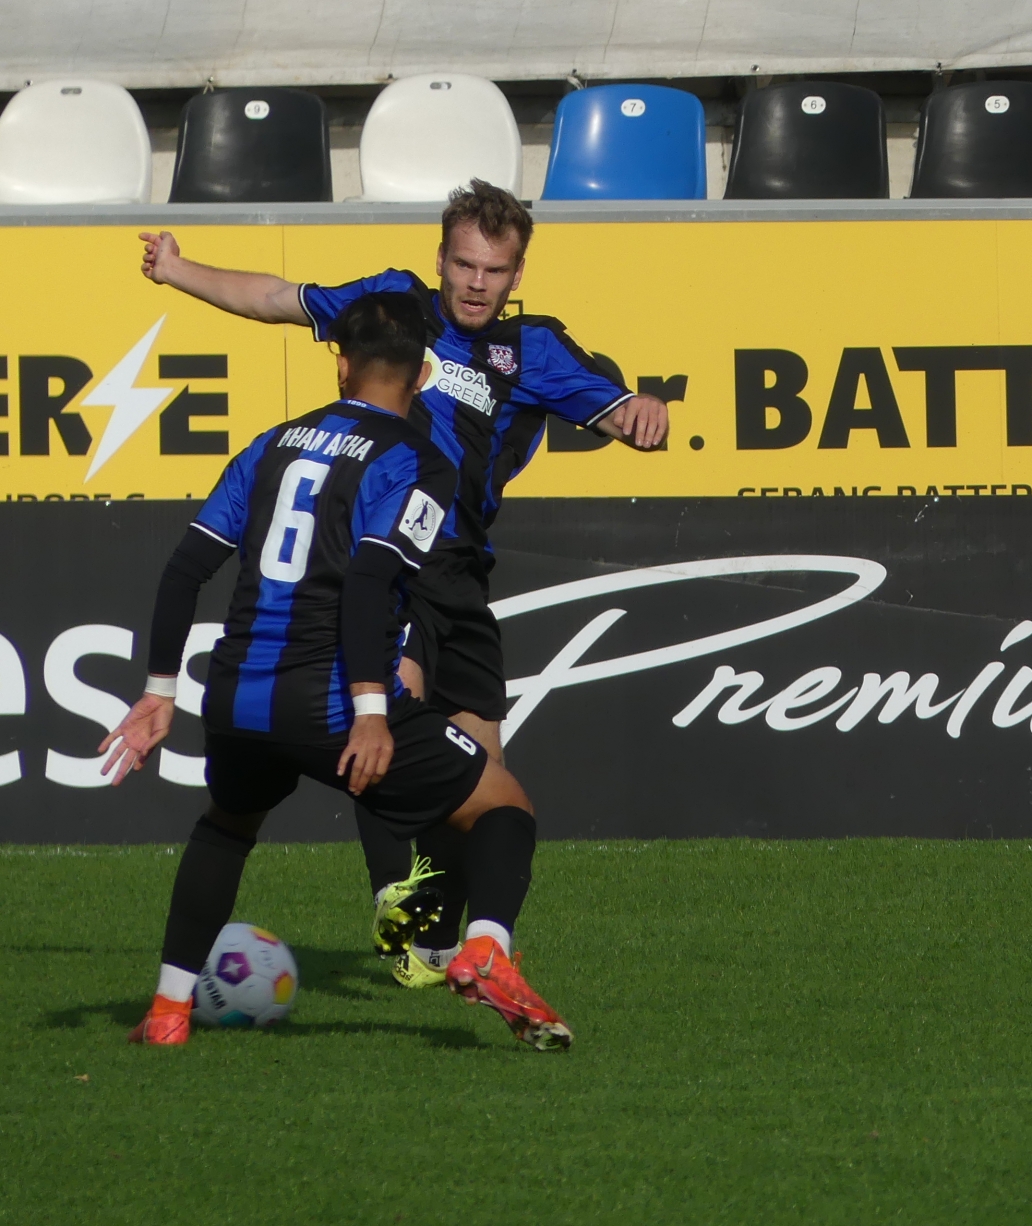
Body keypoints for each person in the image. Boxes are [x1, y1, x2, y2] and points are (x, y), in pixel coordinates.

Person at [139, 180, 667, 987]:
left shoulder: (533, 351)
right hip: (389, 564)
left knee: (480, 789)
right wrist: (180, 271)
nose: (476, 284)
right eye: (464, 265)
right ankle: (393, 891)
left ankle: (440, 940)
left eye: (494, 270)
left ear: (517, 274)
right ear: (441, 259)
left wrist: (644, 413)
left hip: (463, 578)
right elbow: (277, 298)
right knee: (387, 710)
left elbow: (621, 410)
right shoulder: (395, 308)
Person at [103, 292, 570, 1049]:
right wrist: (371, 711)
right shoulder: (420, 462)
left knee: (226, 828)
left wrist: (159, 691)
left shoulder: (270, 444)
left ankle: (167, 1012)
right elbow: (369, 582)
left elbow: (185, 569)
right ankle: (485, 949)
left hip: (235, 695)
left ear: (343, 364)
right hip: (328, 699)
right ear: (423, 376)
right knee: (503, 806)